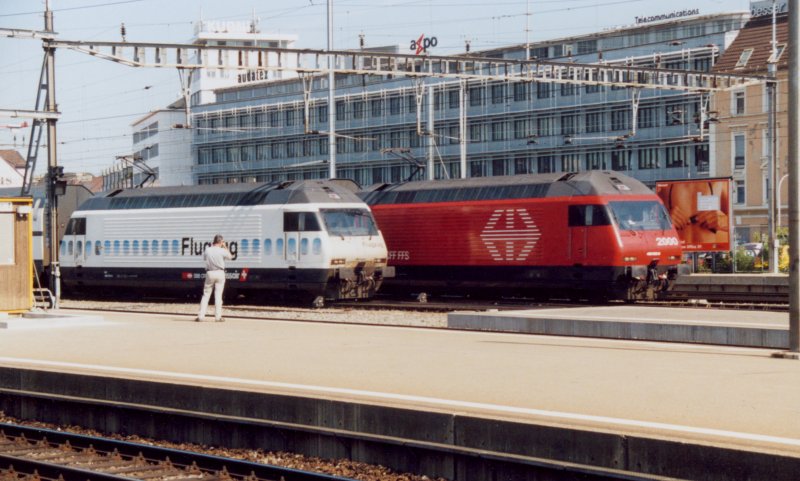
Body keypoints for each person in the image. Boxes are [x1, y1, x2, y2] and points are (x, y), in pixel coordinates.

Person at [657, 180, 730, 247]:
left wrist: (722, 220)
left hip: (708, 252)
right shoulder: (663, 184)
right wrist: (664, 220)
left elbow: (736, 221)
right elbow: (648, 222)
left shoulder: (718, 183)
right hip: (674, 251)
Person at [196, 234, 232, 322]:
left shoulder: (207, 250)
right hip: (220, 273)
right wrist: (225, 247)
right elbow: (230, 257)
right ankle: (218, 317)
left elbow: (204, 258)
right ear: (221, 242)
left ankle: (201, 316)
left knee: (206, 295)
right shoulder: (222, 250)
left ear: (214, 241)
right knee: (218, 296)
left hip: (210, 272)